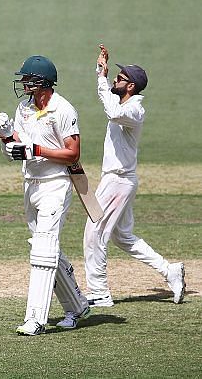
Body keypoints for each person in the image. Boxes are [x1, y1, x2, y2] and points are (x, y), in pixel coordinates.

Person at [82, 44, 186, 307]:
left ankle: (99, 293)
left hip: (117, 180)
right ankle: (169, 270)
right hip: (118, 179)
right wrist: (101, 71)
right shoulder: (123, 102)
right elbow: (112, 104)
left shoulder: (134, 110)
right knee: (122, 237)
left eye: (120, 78)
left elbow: (113, 112)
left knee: (95, 234)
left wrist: (103, 80)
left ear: (131, 87)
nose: (116, 79)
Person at [0, 55, 90, 336]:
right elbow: (16, 151)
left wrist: (36, 150)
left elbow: (72, 153)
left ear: (43, 82)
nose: (23, 83)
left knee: (42, 251)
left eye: (28, 79)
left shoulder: (63, 109)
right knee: (46, 249)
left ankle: (35, 319)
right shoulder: (23, 108)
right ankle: (77, 306)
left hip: (55, 184)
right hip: (31, 184)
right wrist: (5, 137)